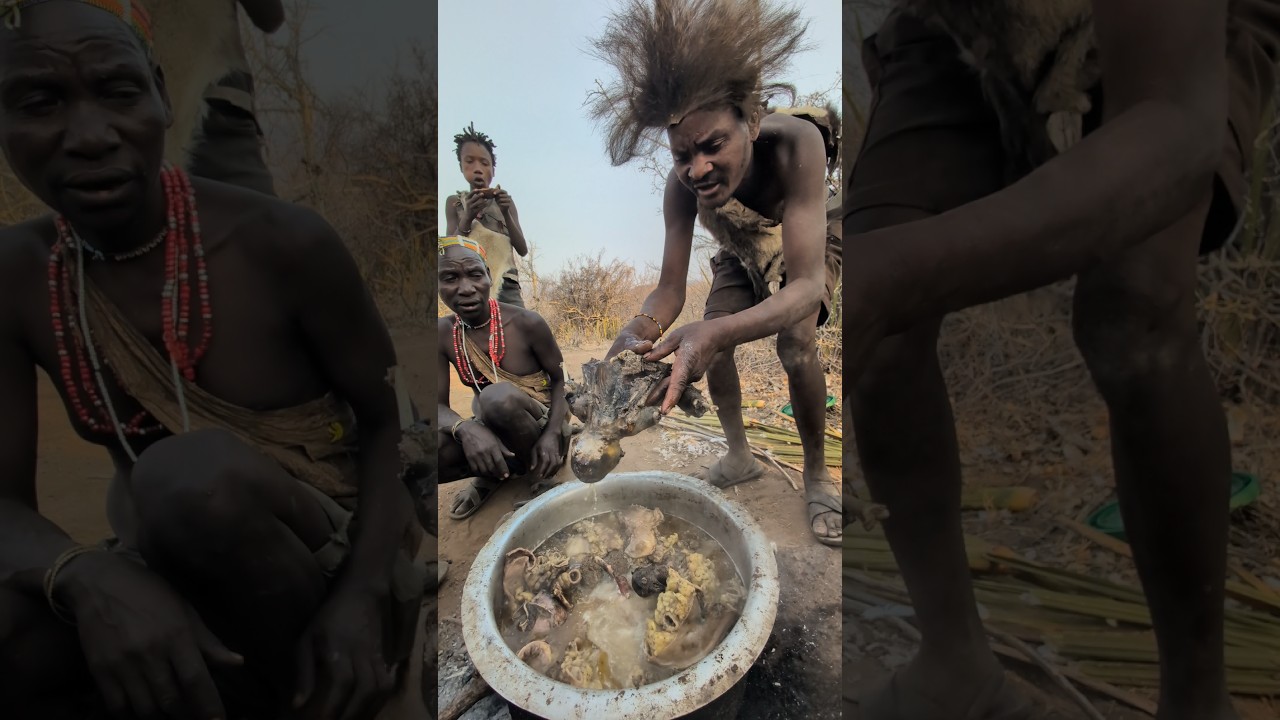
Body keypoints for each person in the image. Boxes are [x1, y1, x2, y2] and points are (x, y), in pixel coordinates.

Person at [843, 1, 1280, 718]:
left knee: (1134, 314)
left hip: (1178, 37)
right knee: (881, 334)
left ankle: (1198, 701)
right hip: (965, 21)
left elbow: (1176, 122)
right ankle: (956, 667)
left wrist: (896, 277)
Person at [0, 2, 423, 718]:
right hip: (168, 554)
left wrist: (361, 593)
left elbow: (388, 429)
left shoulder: (282, 243)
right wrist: (89, 575)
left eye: (118, 92)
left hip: (327, 545)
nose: (90, 136)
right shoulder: (18, 275)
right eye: (40, 102)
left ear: (162, 93)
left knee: (183, 480)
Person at [589, 0, 843, 545]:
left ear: (751, 120)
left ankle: (818, 475)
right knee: (709, 336)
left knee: (796, 344)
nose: (697, 168)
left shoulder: (798, 146)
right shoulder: (683, 185)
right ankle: (738, 453)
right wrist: (638, 330)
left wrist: (717, 332)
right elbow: (669, 289)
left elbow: (802, 288)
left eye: (713, 146)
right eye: (682, 154)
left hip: (806, 242)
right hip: (739, 243)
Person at [437, 236, 571, 519]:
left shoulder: (526, 323)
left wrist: (553, 433)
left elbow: (562, 381)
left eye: (475, 274)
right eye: (450, 277)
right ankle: (496, 472)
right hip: (490, 425)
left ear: (489, 275)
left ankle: (540, 478)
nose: (465, 288)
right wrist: (466, 429)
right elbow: (433, 405)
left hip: (541, 426)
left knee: (496, 398)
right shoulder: (441, 333)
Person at [186, 0, 283, 196]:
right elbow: (271, 17)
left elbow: (270, 17)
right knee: (260, 215)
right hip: (218, 105)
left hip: (137, 103)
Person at [444, 123, 529, 308]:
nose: (477, 168)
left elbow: (522, 249)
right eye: (469, 161)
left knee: (520, 329)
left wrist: (506, 213)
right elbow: (449, 253)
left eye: (484, 163)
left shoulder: (505, 202)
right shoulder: (455, 203)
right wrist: (467, 217)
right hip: (470, 284)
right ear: (461, 166)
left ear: (493, 169)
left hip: (507, 285)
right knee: (474, 335)